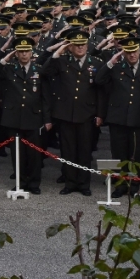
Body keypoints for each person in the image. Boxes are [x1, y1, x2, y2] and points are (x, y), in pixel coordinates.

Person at [42, 29, 103, 196]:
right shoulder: (61, 61)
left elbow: (100, 91)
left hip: (87, 113)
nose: (80, 48)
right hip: (65, 113)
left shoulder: (96, 63)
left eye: (83, 44)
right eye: (76, 45)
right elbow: (45, 72)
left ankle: (84, 184)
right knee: (67, 151)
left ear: (88, 45)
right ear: (70, 47)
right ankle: (70, 183)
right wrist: (58, 51)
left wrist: (99, 114)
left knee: (84, 151)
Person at [0, 37, 52, 194]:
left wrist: (47, 119)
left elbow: (45, 97)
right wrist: (5, 59)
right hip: (14, 116)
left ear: (32, 52)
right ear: (16, 53)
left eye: (27, 51)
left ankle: (34, 183)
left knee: (34, 154)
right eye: (21, 51)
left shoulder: (38, 69)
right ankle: (20, 182)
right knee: (18, 154)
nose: (24, 54)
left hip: (33, 116)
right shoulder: (9, 68)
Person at [95, 36, 140, 198]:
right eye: (128, 52)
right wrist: (110, 62)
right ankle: (120, 185)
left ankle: (134, 184)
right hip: (118, 118)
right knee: (118, 153)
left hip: (138, 118)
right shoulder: (116, 67)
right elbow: (98, 80)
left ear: (139, 51)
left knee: (136, 154)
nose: (132, 55)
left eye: (134, 51)